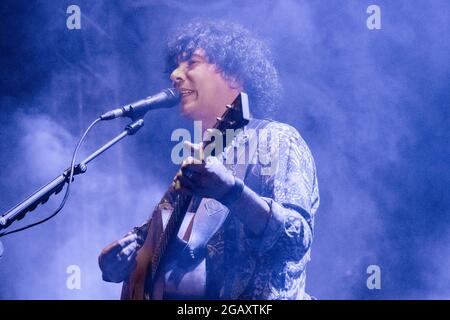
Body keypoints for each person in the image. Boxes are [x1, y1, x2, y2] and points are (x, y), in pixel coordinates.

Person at [98, 20, 320, 300]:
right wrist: (118, 263)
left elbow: (296, 239)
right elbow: (148, 239)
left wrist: (231, 191)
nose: (176, 75)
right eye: (175, 67)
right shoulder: (197, 162)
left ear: (234, 76)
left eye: (192, 62)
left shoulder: (275, 139)